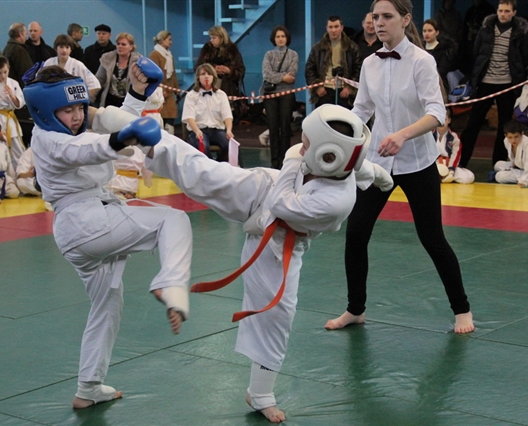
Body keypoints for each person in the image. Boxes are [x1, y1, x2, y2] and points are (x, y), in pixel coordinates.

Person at [144, 104, 393, 423]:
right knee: (204, 173)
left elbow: (280, 203)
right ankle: (141, 136)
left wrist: (293, 159)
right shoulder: (345, 159)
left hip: (278, 236)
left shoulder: (336, 201)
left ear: (329, 157)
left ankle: (260, 393)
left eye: (306, 144)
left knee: (277, 315)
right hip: (263, 188)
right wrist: (384, 178)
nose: (300, 147)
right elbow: (366, 168)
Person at [22, 58, 193, 409]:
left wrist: (137, 94)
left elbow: (112, 125)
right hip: (88, 222)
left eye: (79, 108)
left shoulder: (68, 129)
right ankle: (171, 283)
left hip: (79, 230)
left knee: (107, 304)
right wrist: (122, 139)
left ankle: (88, 387)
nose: (76, 116)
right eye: (67, 111)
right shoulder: (50, 140)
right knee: (173, 220)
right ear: (45, 112)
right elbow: (90, 148)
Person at [325, 0, 474, 334]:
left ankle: (462, 310)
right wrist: (330, 133)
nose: (379, 22)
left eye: (387, 17)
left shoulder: (422, 61)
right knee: (356, 233)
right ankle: (355, 309)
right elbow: (361, 110)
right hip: (378, 163)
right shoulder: (369, 63)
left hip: (418, 161)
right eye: (375, 17)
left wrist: (403, 135)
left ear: (406, 20)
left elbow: (437, 113)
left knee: (432, 238)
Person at [459, 0, 528, 169]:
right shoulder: (486, 29)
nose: (503, 14)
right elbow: (476, 53)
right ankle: (461, 161)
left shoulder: (520, 33)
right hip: (485, 83)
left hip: (507, 84)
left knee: (504, 126)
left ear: (514, 12)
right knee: (473, 123)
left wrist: (519, 76)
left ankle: (498, 163)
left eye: (507, 11)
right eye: (501, 10)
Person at [305, 15, 362, 109]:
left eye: (336, 26)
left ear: (342, 28)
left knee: (343, 118)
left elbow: (358, 69)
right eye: (330, 27)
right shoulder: (317, 48)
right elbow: (309, 69)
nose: (333, 30)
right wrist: (317, 87)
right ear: (326, 28)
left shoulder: (352, 47)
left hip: (345, 92)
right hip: (324, 91)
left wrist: (350, 87)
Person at [261, 25, 298, 169]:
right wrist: (283, 77)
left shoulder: (293, 55)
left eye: (283, 36)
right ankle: (274, 162)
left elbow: (292, 75)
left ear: (287, 38)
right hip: (270, 96)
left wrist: (276, 76)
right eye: (278, 36)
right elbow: (267, 75)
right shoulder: (268, 55)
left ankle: (285, 161)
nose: (281, 39)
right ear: (274, 39)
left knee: (285, 127)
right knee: (273, 129)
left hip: (287, 95)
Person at [182, 63, 233, 162]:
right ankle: (210, 166)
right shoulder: (191, 96)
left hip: (217, 130)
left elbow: (227, 116)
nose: (206, 76)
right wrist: (197, 131)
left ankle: (218, 165)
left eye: (209, 74)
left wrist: (229, 130)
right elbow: (190, 117)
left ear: (213, 77)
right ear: (198, 78)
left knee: (229, 145)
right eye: (203, 74)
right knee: (203, 146)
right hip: (198, 130)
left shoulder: (221, 95)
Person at [0, 56, 27, 169]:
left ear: (8, 68)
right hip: (0, 119)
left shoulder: (13, 83)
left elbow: (20, 103)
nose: (3, 76)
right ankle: (8, 173)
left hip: (12, 119)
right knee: (4, 150)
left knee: (18, 148)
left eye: (5, 72)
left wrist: (12, 96)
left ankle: (22, 172)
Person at [195, 26, 245, 114]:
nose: (211, 40)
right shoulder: (207, 51)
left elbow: (241, 71)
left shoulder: (233, 51)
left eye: (214, 38)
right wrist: (212, 69)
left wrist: (229, 71)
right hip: (208, 89)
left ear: (221, 37)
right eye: (211, 38)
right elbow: (197, 68)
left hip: (228, 89)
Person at [43, 35, 101, 103]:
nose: (64, 50)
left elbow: (95, 85)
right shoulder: (49, 63)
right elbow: (40, 83)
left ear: (71, 49)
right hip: (52, 100)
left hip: (72, 103)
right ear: (56, 48)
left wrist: (83, 100)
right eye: (61, 47)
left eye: (67, 47)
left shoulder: (78, 65)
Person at [95, 33, 141, 108]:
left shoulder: (138, 61)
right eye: (118, 44)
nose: (120, 46)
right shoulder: (108, 58)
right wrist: (90, 98)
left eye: (123, 44)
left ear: (131, 47)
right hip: (109, 101)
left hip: (128, 101)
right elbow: (98, 80)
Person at [149, 30, 179, 135]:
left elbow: (173, 73)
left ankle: (170, 137)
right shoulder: (155, 55)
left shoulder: (169, 55)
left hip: (170, 92)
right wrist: (161, 90)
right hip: (160, 93)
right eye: (169, 39)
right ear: (162, 40)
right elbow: (153, 74)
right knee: (161, 117)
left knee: (171, 117)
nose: (171, 42)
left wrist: (177, 89)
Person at [434, 108, 475, 184]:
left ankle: (445, 177)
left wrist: (451, 170)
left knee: (469, 177)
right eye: (439, 119)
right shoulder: (430, 135)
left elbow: (455, 155)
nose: (442, 123)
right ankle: (440, 176)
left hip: (449, 164)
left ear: (449, 120)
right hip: (434, 165)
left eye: (445, 120)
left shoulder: (454, 137)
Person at [493, 120, 528, 186]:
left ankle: (517, 175)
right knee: (497, 165)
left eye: (516, 137)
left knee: (499, 176)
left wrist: (525, 181)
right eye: (510, 137)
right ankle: (510, 171)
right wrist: (514, 163)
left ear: (522, 134)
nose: (513, 140)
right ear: (505, 136)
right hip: (517, 166)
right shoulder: (506, 141)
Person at [459, 0, 496, 75]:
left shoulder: (489, 9)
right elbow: (465, 29)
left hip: (484, 45)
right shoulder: (471, 11)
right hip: (470, 43)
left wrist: (476, 30)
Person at [422, 19, 457, 93]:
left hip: (439, 86)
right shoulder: (418, 49)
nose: (426, 33)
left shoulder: (444, 49)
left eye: (430, 31)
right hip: (421, 86)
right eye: (424, 31)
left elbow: (442, 70)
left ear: (437, 32)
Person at [2, 23, 34, 88]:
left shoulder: (6, 49)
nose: (26, 37)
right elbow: (26, 73)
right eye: (25, 33)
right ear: (20, 34)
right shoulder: (19, 50)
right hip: (19, 89)